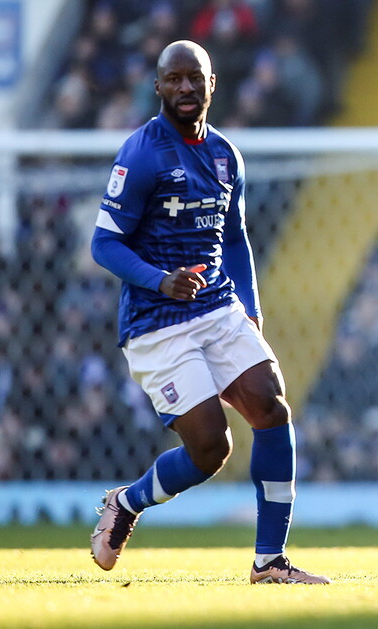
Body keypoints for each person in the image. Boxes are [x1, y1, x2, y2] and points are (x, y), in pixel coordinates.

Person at [89, 40, 328, 585]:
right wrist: (160, 280)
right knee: (210, 448)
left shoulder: (226, 156)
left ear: (212, 83)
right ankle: (126, 502)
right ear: (158, 88)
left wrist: (250, 307)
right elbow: (104, 244)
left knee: (272, 409)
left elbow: (236, 239)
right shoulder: (141, 154)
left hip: (218, 306)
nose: (185, 89)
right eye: (173, 80)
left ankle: (270, 561)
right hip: (156, 322)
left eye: (194, 78)